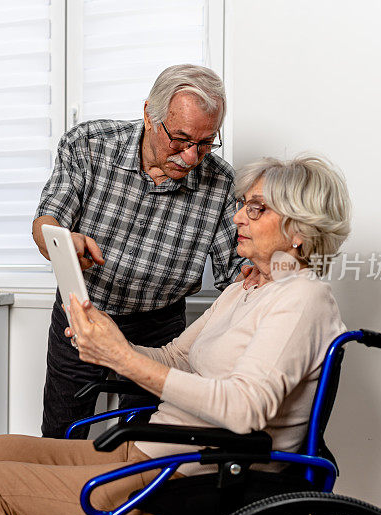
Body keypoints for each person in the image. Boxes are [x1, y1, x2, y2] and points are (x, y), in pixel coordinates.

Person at [0, 154, 352, 515]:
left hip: (189, 473)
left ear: (298, 230)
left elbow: (244, 409)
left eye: (255, 208)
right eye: (243, 204)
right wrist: (110, 345)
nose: (238, 218)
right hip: (152, 448)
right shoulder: (242, 291)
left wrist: (122, 357)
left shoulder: (302, 299)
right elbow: (176, 357)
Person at [33, 64, 250, 439]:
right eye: (180, 139)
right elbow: (47, 222)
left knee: (143, 444)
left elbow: (238, 272)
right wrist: (61, 241)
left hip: (160, 328)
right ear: (150, 115)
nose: (191, 157)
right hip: (84, 312)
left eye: (205, 143)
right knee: (61, 433)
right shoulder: (89, 144)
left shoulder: (222, 182)